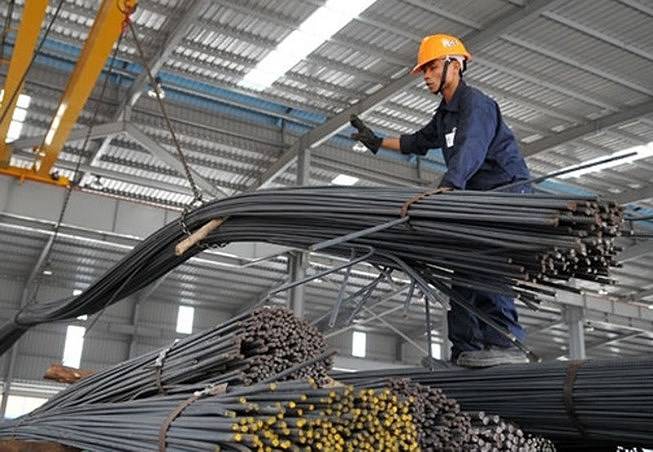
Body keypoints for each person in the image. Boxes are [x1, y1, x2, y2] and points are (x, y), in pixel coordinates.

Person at [350, 34, 532, 368]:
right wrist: (376, 142)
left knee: (488, 267)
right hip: (473, 197)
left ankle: (505, 343)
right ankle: (464, 351)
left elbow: (472, 148)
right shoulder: (446, 114)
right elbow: (418, 142)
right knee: (462, 274)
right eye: (424, 70)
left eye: (431, 67)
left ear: (455, 65)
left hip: (504, 194)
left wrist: (449, 185)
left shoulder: (477, 104)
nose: (426, 75)